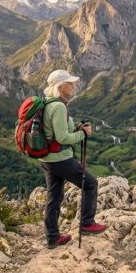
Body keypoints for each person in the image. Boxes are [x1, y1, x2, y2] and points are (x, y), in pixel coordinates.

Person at [39, 70, 106, 249]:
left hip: (46, 158)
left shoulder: (48, 103)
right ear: (61, 86)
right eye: (70, 83)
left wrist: (76, 129)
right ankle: (87, 223)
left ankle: (52, 237)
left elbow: (54, 132)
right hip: (60, 159)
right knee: (90, 184)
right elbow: (62, 138)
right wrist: (82, 134)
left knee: (54, 195)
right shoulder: (59, 106)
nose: (73, 86)